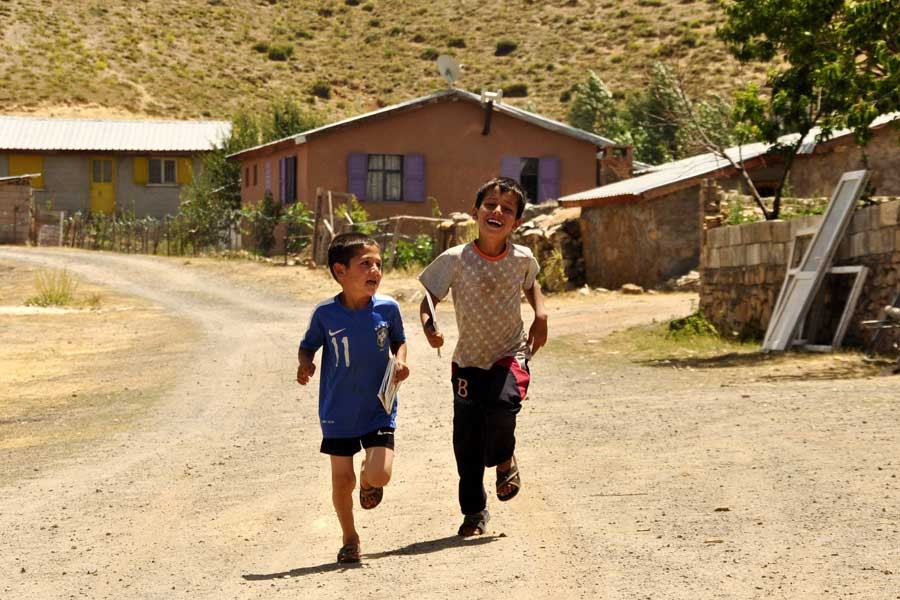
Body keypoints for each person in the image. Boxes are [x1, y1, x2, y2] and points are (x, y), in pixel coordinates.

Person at [418, 176, 548, 537]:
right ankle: (473, 513)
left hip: (510, 351)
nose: (497, 212)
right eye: (490, 205)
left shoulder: (522, 258)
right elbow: (429, 298)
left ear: (517, 222)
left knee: (505, 405)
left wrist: (541, 315)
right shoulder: (455, 259)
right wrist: (430, 328)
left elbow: (532, 285)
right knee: (468, 443)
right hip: (468, 361)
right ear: (475, 212)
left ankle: (505, 459)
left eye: (507, 209)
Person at [297, 232, 409, 564]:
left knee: (380, 476)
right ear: (340, 271)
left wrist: (401, 360)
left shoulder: (388, 308)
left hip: (378, 405)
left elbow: (399, 341)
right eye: (365, 264)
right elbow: (307, 346)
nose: (375, 270)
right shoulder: (325, 314)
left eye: (378, 264)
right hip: (338, 410)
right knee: (342, 479)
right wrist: (306, 364)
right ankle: (349, 538)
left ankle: (368, 476)